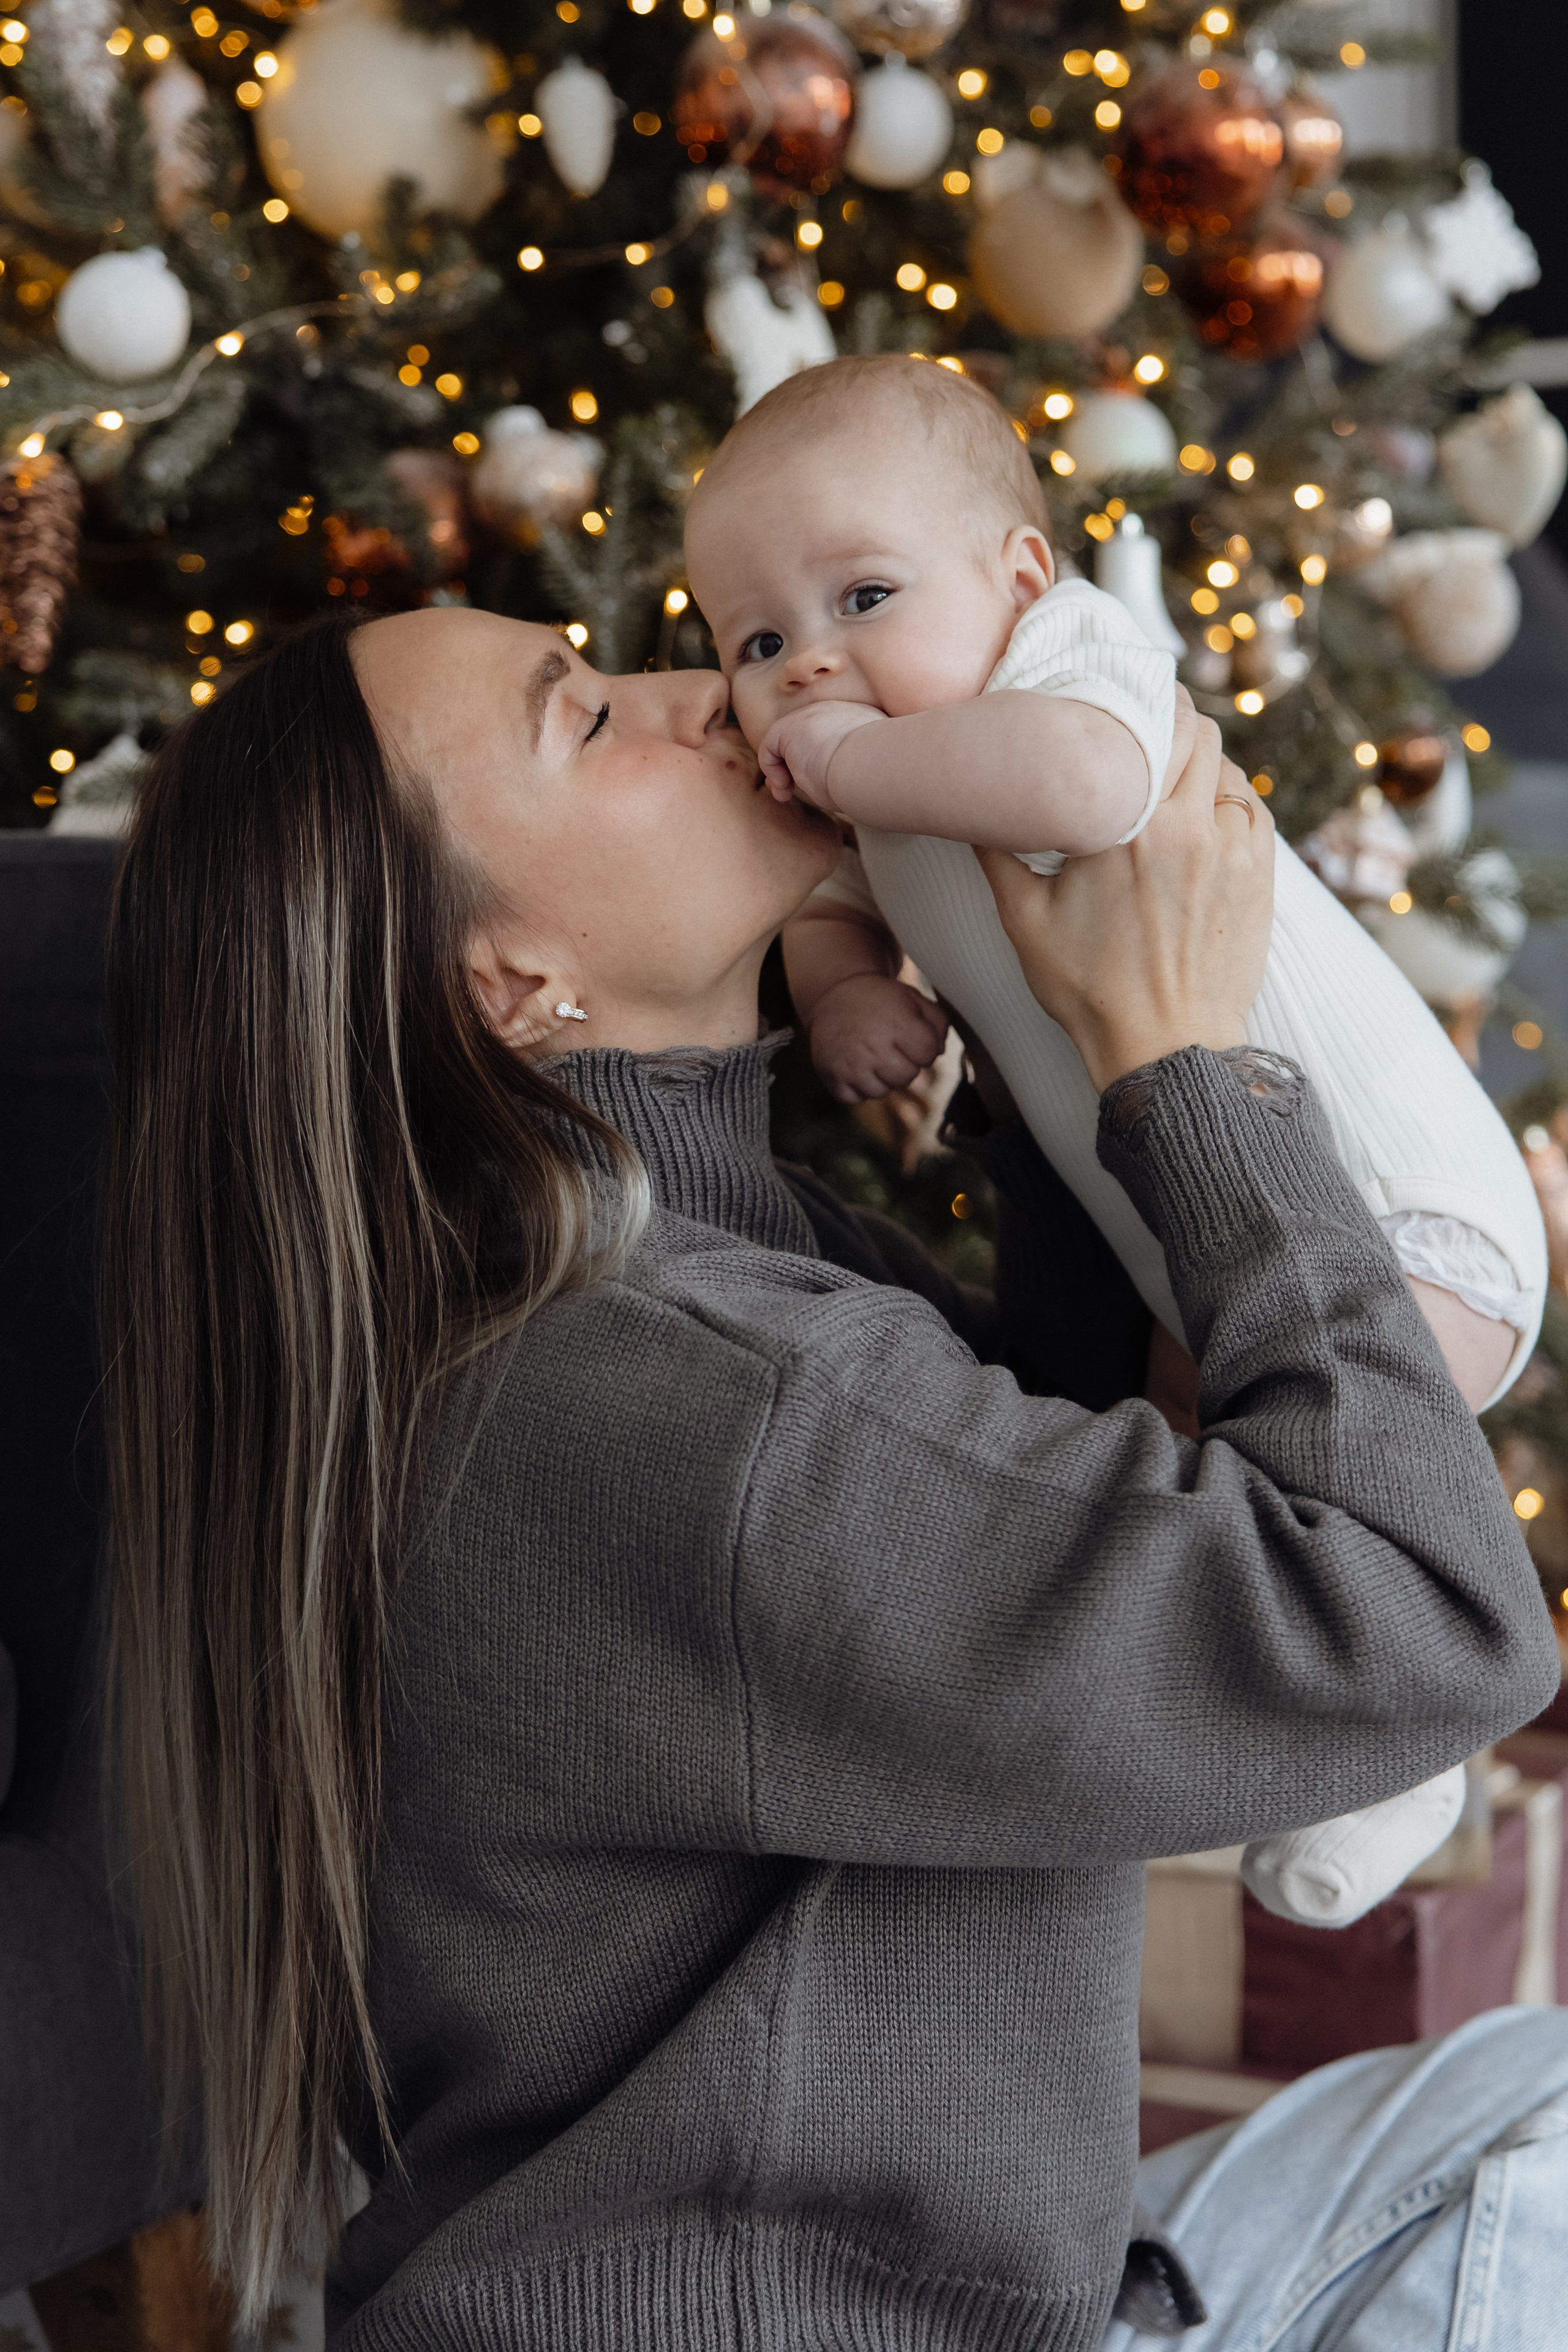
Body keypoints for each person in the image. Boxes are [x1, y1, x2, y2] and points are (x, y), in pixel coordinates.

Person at [99, 608, 1558, 2351]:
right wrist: (1186, 1060)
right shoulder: (661, 1392)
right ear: (505, 981)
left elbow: (1091, 1478)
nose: (704, 690)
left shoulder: (679, 1270)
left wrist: (1050, 1030)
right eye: (586, 718)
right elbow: (1421, 1622)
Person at [684, 350, 1548, 1932]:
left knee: (1335, 1459)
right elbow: (826, 903)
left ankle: (1435, 1687)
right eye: (754, 639)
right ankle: (1389, 1749)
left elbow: (1088, 792)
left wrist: (862, 766)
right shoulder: (874, 788)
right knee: (1208, 1493)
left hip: (1399, 1214)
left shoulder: (1069, 664)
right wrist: (843, 986)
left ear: (1017, 575)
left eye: (862, 595)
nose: (807, 666)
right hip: (1197, 1248)